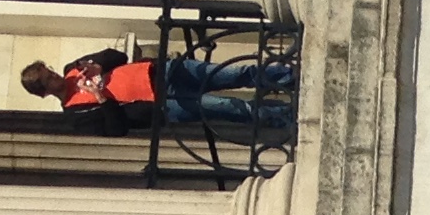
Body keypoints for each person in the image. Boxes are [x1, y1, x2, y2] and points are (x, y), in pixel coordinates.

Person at [21, 48, 295, 135]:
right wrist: (101, 99)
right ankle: (285, 116)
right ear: (44, 93)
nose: (55, 76)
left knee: (233, 73)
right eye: (49, 80)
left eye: (50, 71)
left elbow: (117, 55)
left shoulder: (73, 68)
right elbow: (116, 130)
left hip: (161, 71)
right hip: (162, 104)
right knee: (228, 106)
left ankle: (288, 77)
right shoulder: (74, 115)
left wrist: (97, 65)